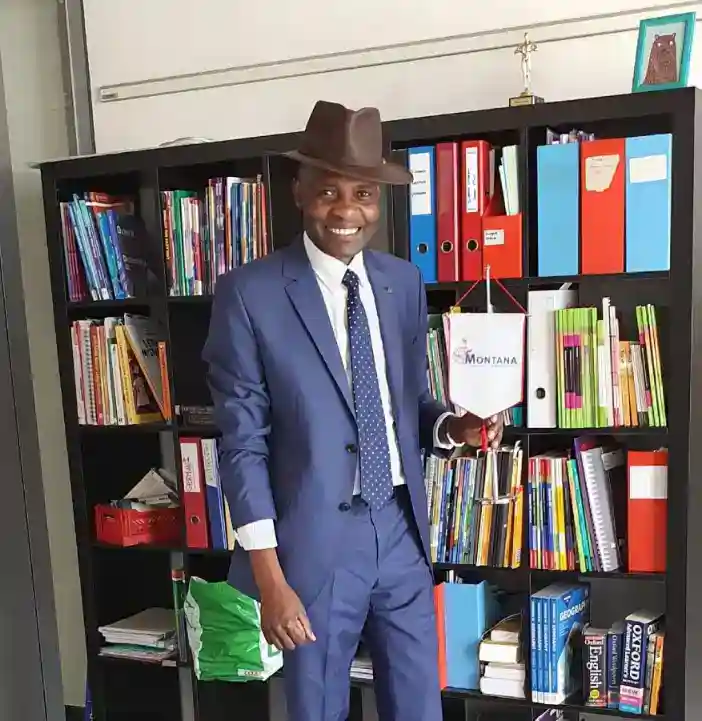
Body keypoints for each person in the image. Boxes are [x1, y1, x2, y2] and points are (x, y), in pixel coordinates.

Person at [202, 100, 504, 721]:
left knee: (419, 706)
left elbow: (408, 403)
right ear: (299, 191)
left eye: (363, 194)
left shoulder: (402, 283)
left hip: (399, 530)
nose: (346, 211)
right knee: (318, 709)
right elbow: (242, 445)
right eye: (328, 192)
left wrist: (456, 428)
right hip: (311, 545)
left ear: (379, 200)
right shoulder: (249, 293)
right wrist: (270, 578)